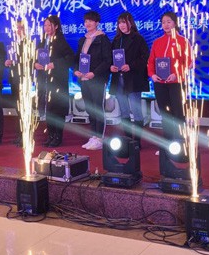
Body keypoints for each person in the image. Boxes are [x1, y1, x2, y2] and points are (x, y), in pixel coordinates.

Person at [147, 12, 192, 144]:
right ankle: (167, 143)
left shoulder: (183, 41)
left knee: (178, 112)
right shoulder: (157, 42)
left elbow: (189, 62)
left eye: (169, 22)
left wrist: (176, 74)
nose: (165, 25)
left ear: (175, 23)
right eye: (163, 22)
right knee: (165, 113)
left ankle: (181, 142)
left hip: (177, 82)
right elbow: (151, 61)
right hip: (160, 83)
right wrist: (152, 74)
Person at [109, 12, 149, 148]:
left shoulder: (138, 39)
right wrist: (111, 67)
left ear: (130, 23)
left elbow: (145, 58)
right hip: (118, 80)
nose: (122, 25)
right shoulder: (116, 39)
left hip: (133, 80)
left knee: (136, 112)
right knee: (124, 111)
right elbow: (110, 58)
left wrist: (130, 66)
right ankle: (127, 140)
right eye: (120, 23)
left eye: (124, 22)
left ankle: (137, 141)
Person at [74, 10, 112, 150]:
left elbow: (107, 60)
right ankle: (93, 137)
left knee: (98, 108)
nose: (87, 23)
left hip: (97, 79)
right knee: (90, 108)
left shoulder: (103, 39)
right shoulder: (82, 40)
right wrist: (76, 70)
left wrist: (94, 73)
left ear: (97, 23)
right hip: (84, 79)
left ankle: (99, 138)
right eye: (86, 21)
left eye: (90, 21)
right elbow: (77, 58)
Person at [35, 15, 74, 147]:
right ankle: (50, 135)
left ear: (56, 26)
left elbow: (70, 58)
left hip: (57, 81)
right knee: (49, 110)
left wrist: (55, 64)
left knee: (58, 109)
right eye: (45, 25)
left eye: (49, 25)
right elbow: (35, 57)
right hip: (44, 80)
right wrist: (35, 64)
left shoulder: (60, 41)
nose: (46, 28)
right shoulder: (42, 41)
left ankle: (58, 136)